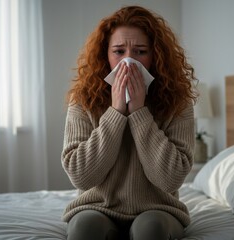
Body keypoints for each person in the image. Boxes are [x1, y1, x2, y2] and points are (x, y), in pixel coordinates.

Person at [61, 5, 197, 240]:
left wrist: (139, 112)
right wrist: (115, 112)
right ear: (105, 55)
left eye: (140, 51)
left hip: (157, 210)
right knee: (84, 229)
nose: (128, 62)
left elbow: (170, 179)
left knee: (150, 229)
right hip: (97, 207)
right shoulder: (84, 99)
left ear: (155, 55)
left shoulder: (178, 102)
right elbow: (81, 176)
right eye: (119, 51)